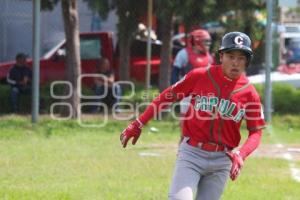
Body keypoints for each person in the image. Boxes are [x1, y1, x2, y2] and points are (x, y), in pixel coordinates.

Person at [120, 32, 266, 200]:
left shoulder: (250, 93)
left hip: (222, 160)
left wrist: (242, 154)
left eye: (241, 57)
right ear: (221, 56)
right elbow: (166, 97)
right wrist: (139, 122)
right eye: (230, 56)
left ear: (247, 61)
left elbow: (256, 131)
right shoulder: (200, 76)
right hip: (192, 154)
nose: (235, 62)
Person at [171, 29, 214, 142]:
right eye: (205, 42)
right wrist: (176, 91)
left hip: (204, 94)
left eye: (208, 42)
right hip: (187, 93)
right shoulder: (184, 54)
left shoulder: (209, 57)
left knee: (203, 119)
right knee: (185, 120)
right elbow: (175, 71)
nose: (208, 45)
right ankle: (183, 142)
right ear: (197, 42)